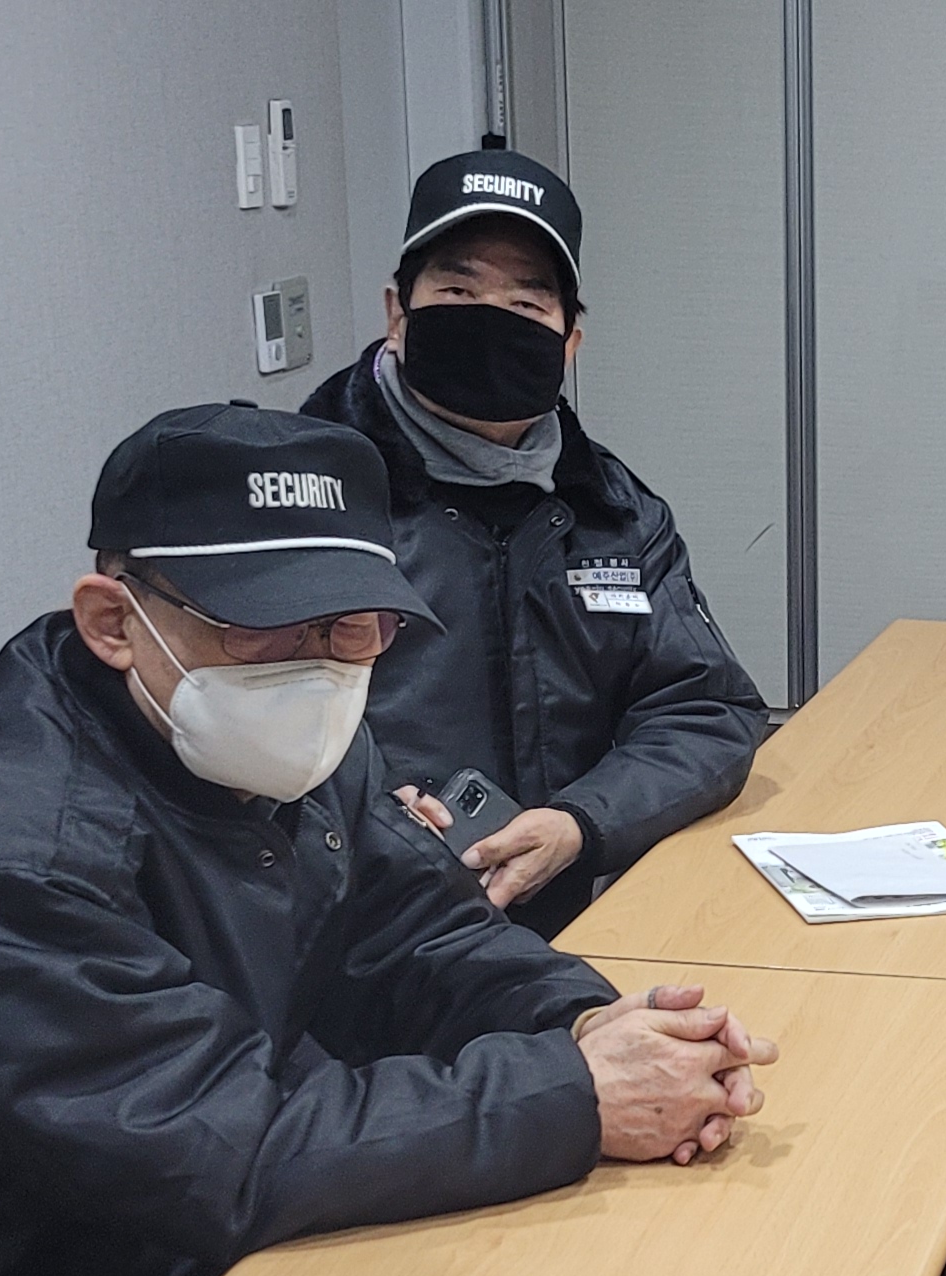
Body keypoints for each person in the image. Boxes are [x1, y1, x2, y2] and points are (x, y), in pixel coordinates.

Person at [0, 404, 776, 1276]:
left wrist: (591, 1023)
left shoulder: (263, 732)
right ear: (113, 621)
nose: (317, 667)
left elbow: (413, 932)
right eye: (261, 627)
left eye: (353, 626)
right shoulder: (3, 865)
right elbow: (230, 1153)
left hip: (157, 1254)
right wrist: (576, 1095)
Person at [303, 141, 765, 937]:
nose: (489, 320)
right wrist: (367, 821)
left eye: (525, 304)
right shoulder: (305, 498)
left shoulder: (611, 510)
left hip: (561, 925)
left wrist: (581, 823)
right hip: (354, 928)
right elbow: (221, 724)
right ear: (396, 313)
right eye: (458, 290)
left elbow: (704, 709)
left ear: (569, 342)